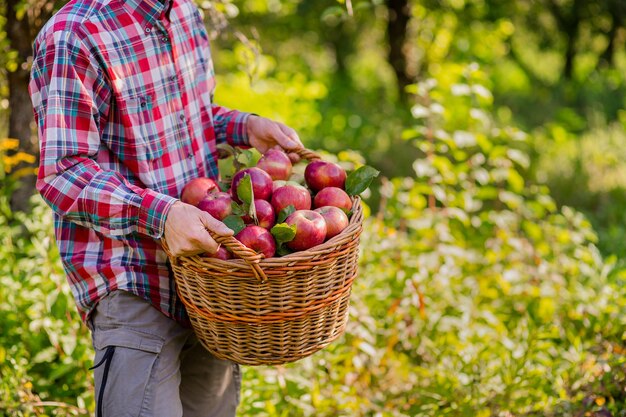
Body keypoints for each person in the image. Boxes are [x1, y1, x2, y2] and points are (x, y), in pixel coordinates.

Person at [28, 0, 303, 415]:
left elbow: (192, 117)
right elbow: (63, 173)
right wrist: (161, 215)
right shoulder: (74, 35)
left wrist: (245, 127)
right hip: (137, 279)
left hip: (211, 278)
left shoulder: (184, 12)